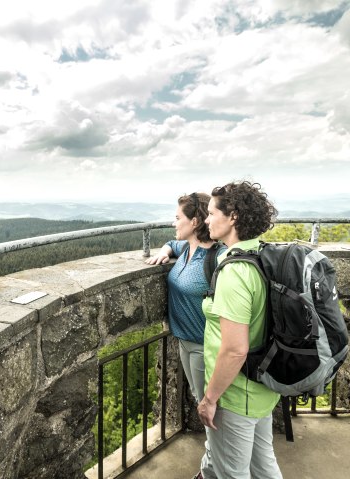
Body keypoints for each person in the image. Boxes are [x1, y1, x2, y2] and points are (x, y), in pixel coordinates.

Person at [196, 181, 282, 479]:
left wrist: (209, 399)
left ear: (232, 216)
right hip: (262, 387)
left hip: (235, 394)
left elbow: (235, 349)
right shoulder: (261, 253)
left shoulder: (235, 271)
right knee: (263, 466)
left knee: (231, 473)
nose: (206, 220)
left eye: (210, 213)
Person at [146, 192, 223, 403]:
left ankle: (217, 437)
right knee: (198, 396)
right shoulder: (187, 248)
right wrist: (164, 251)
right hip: (184, 341)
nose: (174, 223)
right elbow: (172, 243)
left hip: (204, 345)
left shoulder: (217, 257)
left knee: (209, 401)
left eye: (178, 218)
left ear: (195, 222)